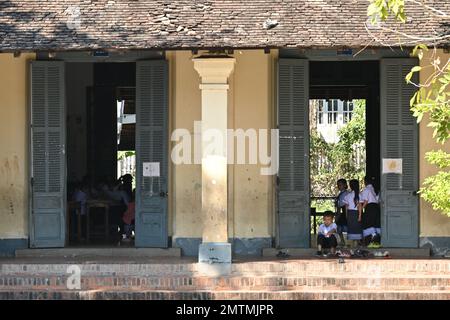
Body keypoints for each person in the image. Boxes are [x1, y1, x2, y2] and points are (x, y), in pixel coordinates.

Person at [359, 176, 381, 248]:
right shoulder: (373, 189)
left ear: (365, 182)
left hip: (370, 207)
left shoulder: (366, 189)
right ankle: (376, 242)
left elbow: (365, 201)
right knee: (375, 223)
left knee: (368, 223)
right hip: (376, 207)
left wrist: (362, 208)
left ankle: (372, 236)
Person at [343, 179, 362, 247]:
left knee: (352, 229)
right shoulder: (359, 195)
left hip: (350, 213)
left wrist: (346, 216)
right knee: (357, 230)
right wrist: (359, 216)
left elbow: (346, 207)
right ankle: (356, 245)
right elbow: (360, 206)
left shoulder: (348, 195)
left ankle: (353, 246)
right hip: (356, 213)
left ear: (351, 186)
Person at [335, 178, 349, 247]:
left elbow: (340, 206)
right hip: (342, 211)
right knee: (339, 227)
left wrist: (338, 215)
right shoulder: (341, 193)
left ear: (345, 185)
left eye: (340, 185)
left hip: (345, 211)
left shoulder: (346, 193)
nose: (339, 186)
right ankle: (342, 241)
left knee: (344, 227)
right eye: (338, 185)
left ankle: (347, 241)